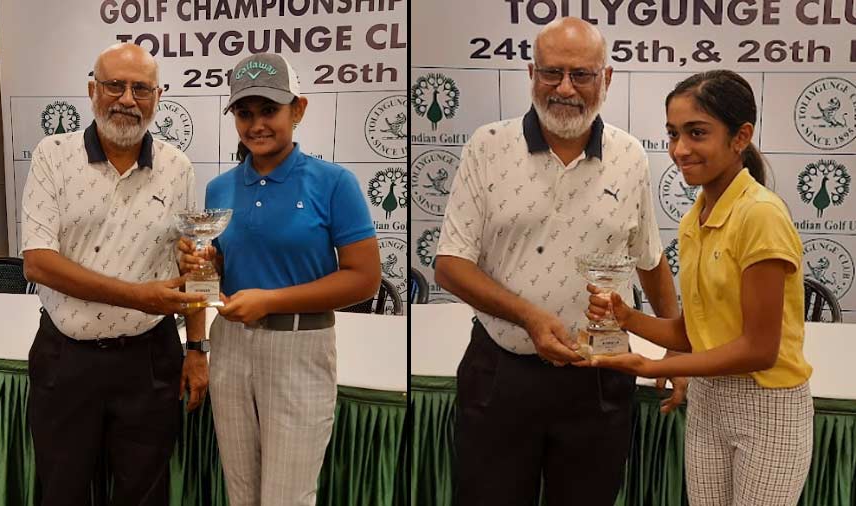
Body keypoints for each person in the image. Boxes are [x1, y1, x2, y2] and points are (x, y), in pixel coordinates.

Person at [434, 17, 681, 506]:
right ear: (531, 74)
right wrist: (529, 316)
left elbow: (650, 260)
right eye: (551, 73)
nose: (565, 88)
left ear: (605, 79)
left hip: (600, 378)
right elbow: (449, 264)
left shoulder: (631, 155)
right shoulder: (487, 146)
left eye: (581, 75)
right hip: (502, 372)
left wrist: (676, 351)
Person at [585, 70, 813, 506]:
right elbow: (695, 335)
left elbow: (760, 349)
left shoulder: (760, 215)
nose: (679, 149)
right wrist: (627, 318)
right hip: (709, 399)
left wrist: (651, 368)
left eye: (697, 133)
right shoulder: (695, 219)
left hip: (768, 405)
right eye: (673, 134)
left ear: (740, 136)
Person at [177, 53, 381, 506]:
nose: (256, 125)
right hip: (229, 344)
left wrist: (271, 301)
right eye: (245, 114)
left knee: (287, 497)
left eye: (269, 110)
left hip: (299, 348)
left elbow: (365, 279)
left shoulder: (333, 183)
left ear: (299, 110)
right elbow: (221, 275)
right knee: (242, 493)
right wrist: (200, 267)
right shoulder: (219, 189)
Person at [21, 42, 209, 506]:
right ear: (92, 90)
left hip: (150, 362)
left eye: (141, 88)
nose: (127, 99)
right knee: (62, 492)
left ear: (158, 97)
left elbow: (193, 265)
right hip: (67, 360)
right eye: (115, 85)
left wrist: (199, 348)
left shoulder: (177, 167)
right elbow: (38, 262)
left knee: (144, 495)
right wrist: (137, 296)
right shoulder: (53, 155)